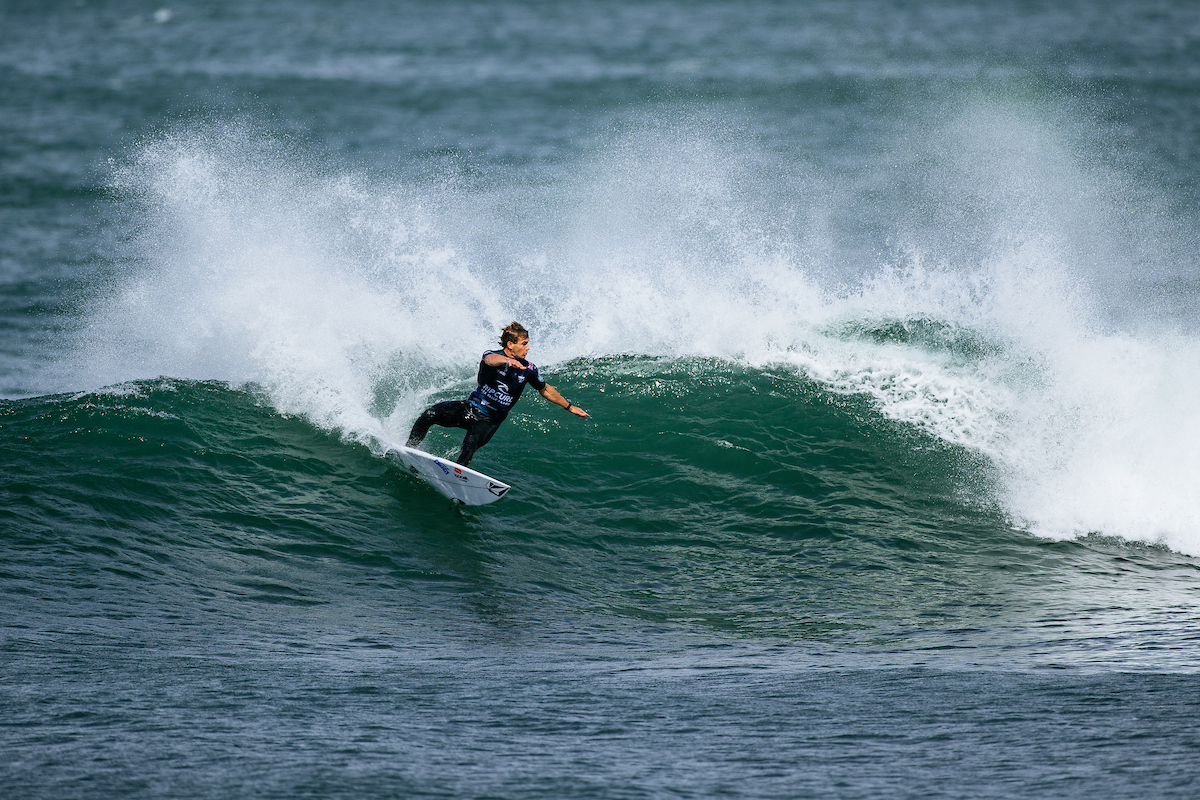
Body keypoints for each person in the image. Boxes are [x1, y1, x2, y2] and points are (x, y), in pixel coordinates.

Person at [406, 322, 589, 467]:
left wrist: (570, 407)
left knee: (469, 447)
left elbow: (545, 389)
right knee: (429, 415)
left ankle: (457, 478)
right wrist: (507, 361)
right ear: (511, 345)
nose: (528, 348)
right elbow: (490, 360)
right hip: (470, 408)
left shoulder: (528, 369)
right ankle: (408, 450)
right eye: (524, 344)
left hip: (489, 421)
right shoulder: (493, 356)